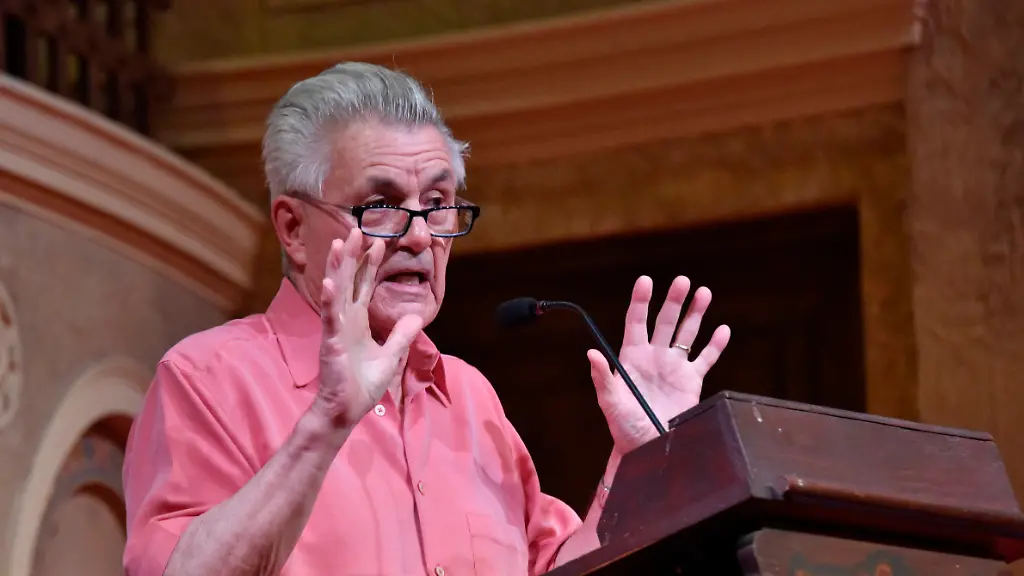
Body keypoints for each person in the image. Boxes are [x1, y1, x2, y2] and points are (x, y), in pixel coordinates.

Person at [121, 62, 731, 576]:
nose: (419, 236)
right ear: (292, 229)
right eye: (381, 205)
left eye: (438, 204)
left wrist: (641, 457)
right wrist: (326, 423)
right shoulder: (208, 378)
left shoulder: (470, 399)